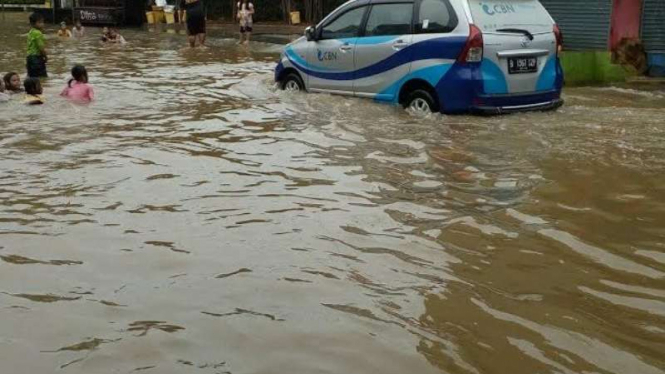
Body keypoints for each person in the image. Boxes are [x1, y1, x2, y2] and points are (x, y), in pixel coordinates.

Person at [26, 13, 48, 78]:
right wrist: (45, 56)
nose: (42, 24)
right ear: (33, 24)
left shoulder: (30, 32)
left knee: (31, 77)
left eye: (42, 22)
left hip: (29, 58)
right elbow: (41, 48)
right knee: (42, 77)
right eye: (40, 22)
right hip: (36, 58)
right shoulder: (38, 33)